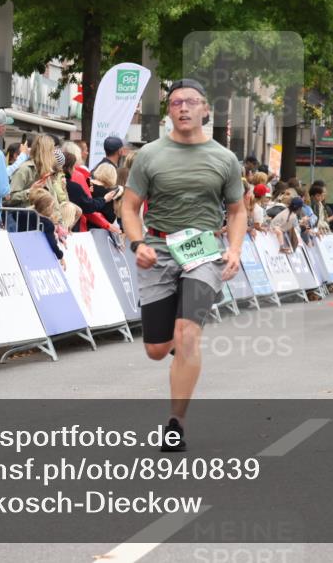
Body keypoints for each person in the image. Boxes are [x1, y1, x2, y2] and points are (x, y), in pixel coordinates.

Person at [121, 78, 245, 453]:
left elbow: (237, 211)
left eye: (191, 102)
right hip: (158, 248)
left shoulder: (224, 159)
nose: (184, 108)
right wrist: (137, 242)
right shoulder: (150, 155)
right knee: (158, 348)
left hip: (204, 250)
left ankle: (176, 423)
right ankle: (181, 353)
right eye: (176, 103)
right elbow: (128, 207)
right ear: (169, 111)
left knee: (187, 333)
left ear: (205, 108)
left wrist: (235, 249)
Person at [7, 134, 57, 231]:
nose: (54, 154)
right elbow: (8, 198)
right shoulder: (25, 169)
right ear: (45, 152)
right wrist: (30, 191)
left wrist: (59, 223)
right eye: (52, 150)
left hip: (40, 223)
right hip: (22, 224)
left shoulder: (46, 172)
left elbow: (53, 200)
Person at [62, 149, 119, 233]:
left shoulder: (88, 181)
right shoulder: (80, 179)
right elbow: (88, 205)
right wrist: (104, 199)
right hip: (77, 227)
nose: (74, 170)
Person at [29, 187, 64, 266]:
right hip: (37, 255)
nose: (53, 210)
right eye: (52, 207)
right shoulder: (47, 223)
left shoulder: (26, 214)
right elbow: (52, 244)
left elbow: (14, 215)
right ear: (48, 208)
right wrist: (60, 255)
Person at [90, 162, 122, 226]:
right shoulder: (110, 193)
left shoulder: (87, 184)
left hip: (83, 226)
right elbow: (110, 218)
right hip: (100, 229)